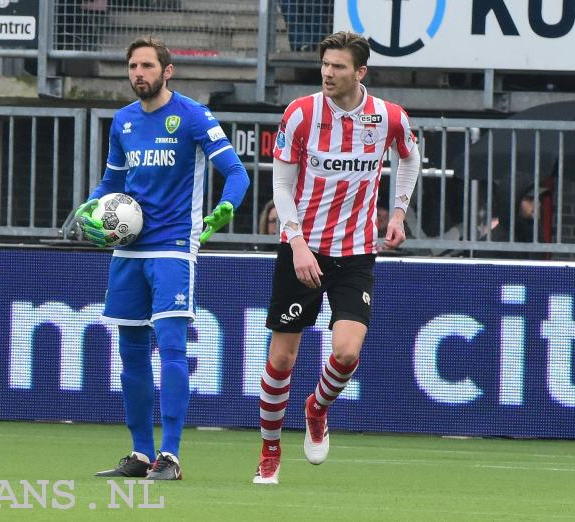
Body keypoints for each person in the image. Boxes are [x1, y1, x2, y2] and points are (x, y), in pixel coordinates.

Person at [74, 36, 249, 480]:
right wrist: (87, 209)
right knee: (130, 353)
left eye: (147, 66)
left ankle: (169, 456)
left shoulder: (192, 116)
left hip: (173, 246)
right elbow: (110, 185)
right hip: (128, 250)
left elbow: (236, 172)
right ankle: (139, 453)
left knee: (171, 347)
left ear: (167, 70)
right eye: (132, 66)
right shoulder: (123, 121)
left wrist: (226, 204)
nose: (139, 73)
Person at [253, 31, 420, 484]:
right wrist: (297, 243)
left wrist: (398, 212)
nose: (328, 73)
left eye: (338, 66)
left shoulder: (388, 117)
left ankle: (316, 408)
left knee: (346, 353)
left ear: (359, 72)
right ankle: (269, 451)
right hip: (301, 249)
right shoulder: (301, 114)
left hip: (356, 251)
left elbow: (410, 157)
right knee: (283, 358)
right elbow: (282, 185)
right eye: (325, 64)